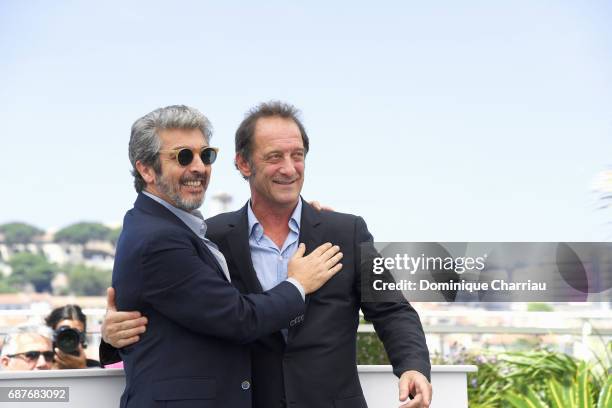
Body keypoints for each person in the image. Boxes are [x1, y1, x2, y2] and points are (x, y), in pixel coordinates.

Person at [102, 102, 432, 408]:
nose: (289, 169)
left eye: (298, 155)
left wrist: (412, 366)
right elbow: (204, 312)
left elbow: (393, 309)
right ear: (243, 163)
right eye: (274, 157)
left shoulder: (346, 232)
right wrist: (112, 337)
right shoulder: (209, 237)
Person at [110, 104, 342, 408]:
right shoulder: (160, 239)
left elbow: (392, 308)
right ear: (146, 169)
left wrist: (412, 366)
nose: (199, 167)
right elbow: (238, 318)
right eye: (183, 156)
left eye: (205, 155)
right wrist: (298, 284)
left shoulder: (193, 230)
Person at [45, 304, 101, 369]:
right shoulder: (42, 365)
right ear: (53, 335)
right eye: (64, 334)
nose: (69, 339)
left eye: (76, 333)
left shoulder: (96, 368)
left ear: (83, 337)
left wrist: (82, 368)